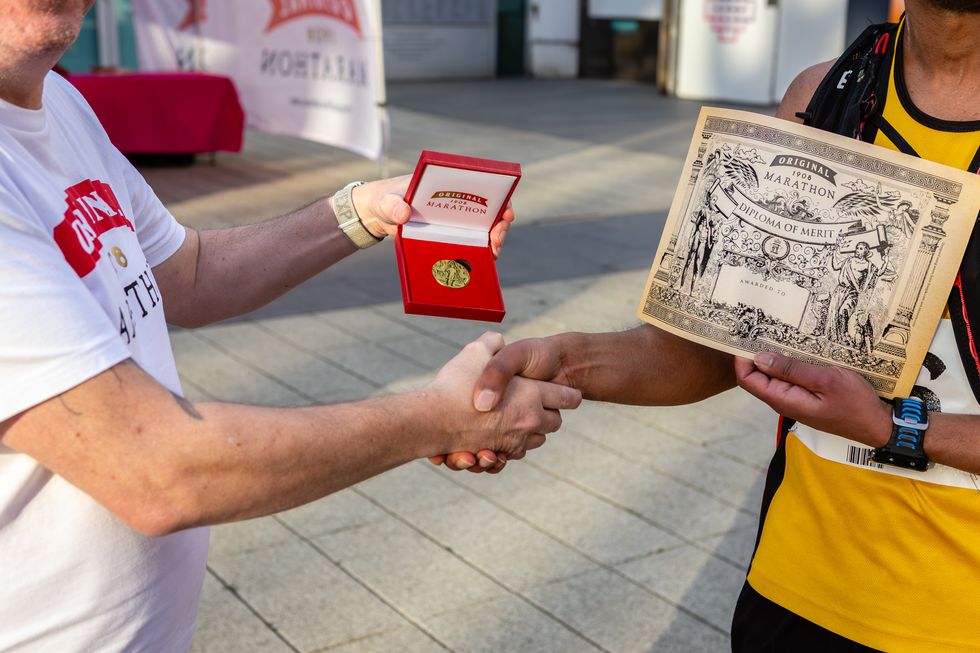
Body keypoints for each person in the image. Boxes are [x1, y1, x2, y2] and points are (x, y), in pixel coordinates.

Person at [0, 2, 581, 650]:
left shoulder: (63, 105)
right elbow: (157, 468)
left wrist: (361, 209)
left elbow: (188, 273)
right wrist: (441, 415)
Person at [438, 0, 980, 650]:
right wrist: (560, 360)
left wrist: (896, 429)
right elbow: (717, 346)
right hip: (794, 591)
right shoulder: (825, 96)